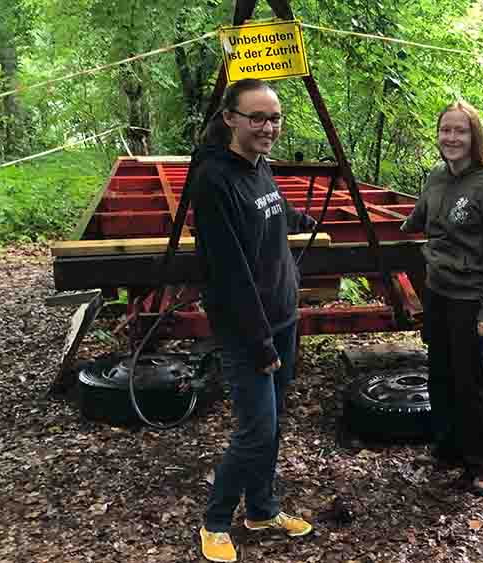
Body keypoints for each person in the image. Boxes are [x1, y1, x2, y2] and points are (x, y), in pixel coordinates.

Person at [190, 78, 316, 563]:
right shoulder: (214, 180)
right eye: (258, 118)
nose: (269, 127)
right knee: (255, 430)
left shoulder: (257, 165)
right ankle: (215, 521)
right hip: (249, 329)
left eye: (275, 118)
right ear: (230, 119)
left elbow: (271, 207)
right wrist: (260, 342)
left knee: (273, 421)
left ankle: (262, 508)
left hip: (281, 315)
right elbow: (229, 275)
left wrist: (303, 219)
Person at [401, 100, 483, 497]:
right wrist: (401, 226)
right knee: (440, 374)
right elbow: (420, 216)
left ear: (474, 138)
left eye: (460, 131)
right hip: (437, 291)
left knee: (470, 381)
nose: (451, 138)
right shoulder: (436, 175)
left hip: (470, 298)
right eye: (445, 130)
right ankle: (449, 448)